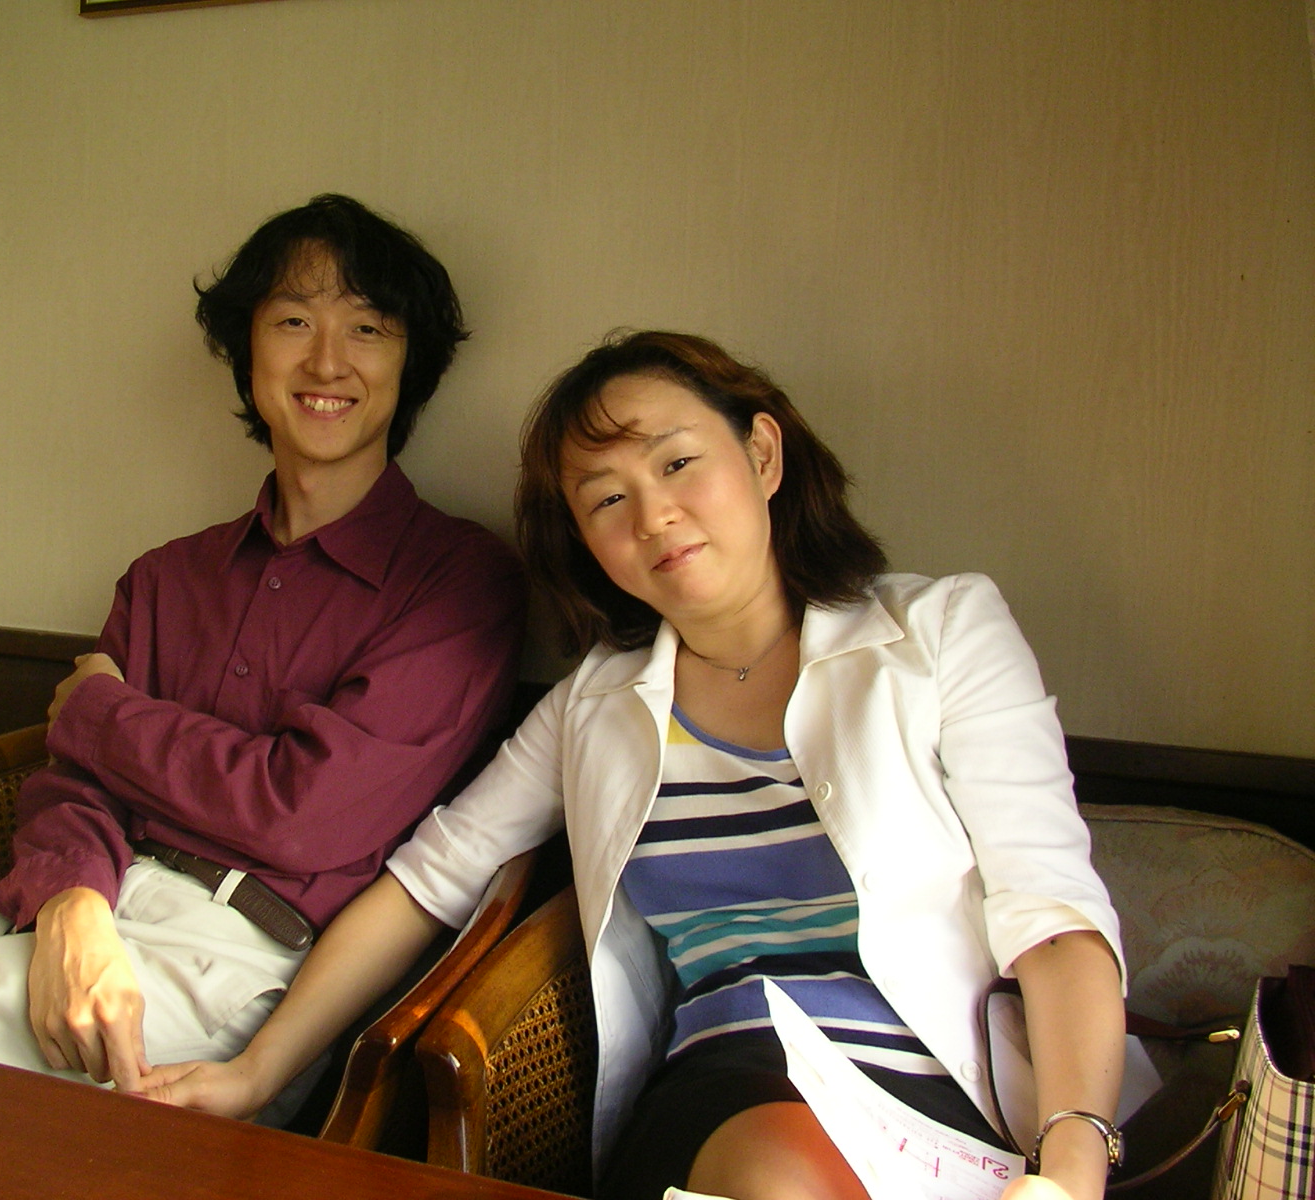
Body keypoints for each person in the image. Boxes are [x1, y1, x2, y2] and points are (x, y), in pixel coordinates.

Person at [134, 329, 1153, 1199]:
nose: (654, 515)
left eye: (677, 464)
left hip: (951, 1101)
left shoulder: (941, 631)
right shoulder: (596, 704)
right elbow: (423, 885)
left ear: (762, 454)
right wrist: (257, 1070)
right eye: (605, 499)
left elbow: (1053, 915)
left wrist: (1069, 1166)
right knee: (777, 1176)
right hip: (733, 1088)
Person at [0, 194, 525, 1124]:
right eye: (293, 322)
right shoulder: (168, 576)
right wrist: (71, 904)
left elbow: (304, 815)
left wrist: (97, 712)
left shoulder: (458, 582)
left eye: (368, 328)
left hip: (222, 958)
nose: (327, 361)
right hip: (55, 901)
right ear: (248, 350)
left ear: (408, 362)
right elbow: (72, 783)